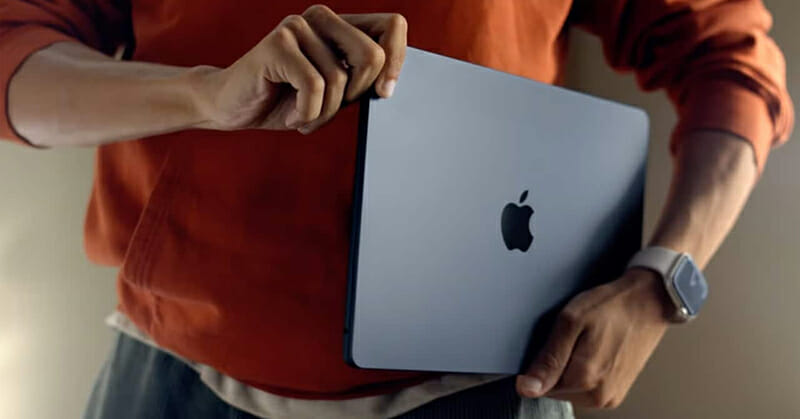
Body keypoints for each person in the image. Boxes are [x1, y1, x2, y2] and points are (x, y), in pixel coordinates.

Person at [0, 0, 793, 418]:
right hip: (172, 374)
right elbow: (15, 52)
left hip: (482, 389)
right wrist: (204, 94)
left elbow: (733, 61)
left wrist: (664, 281)